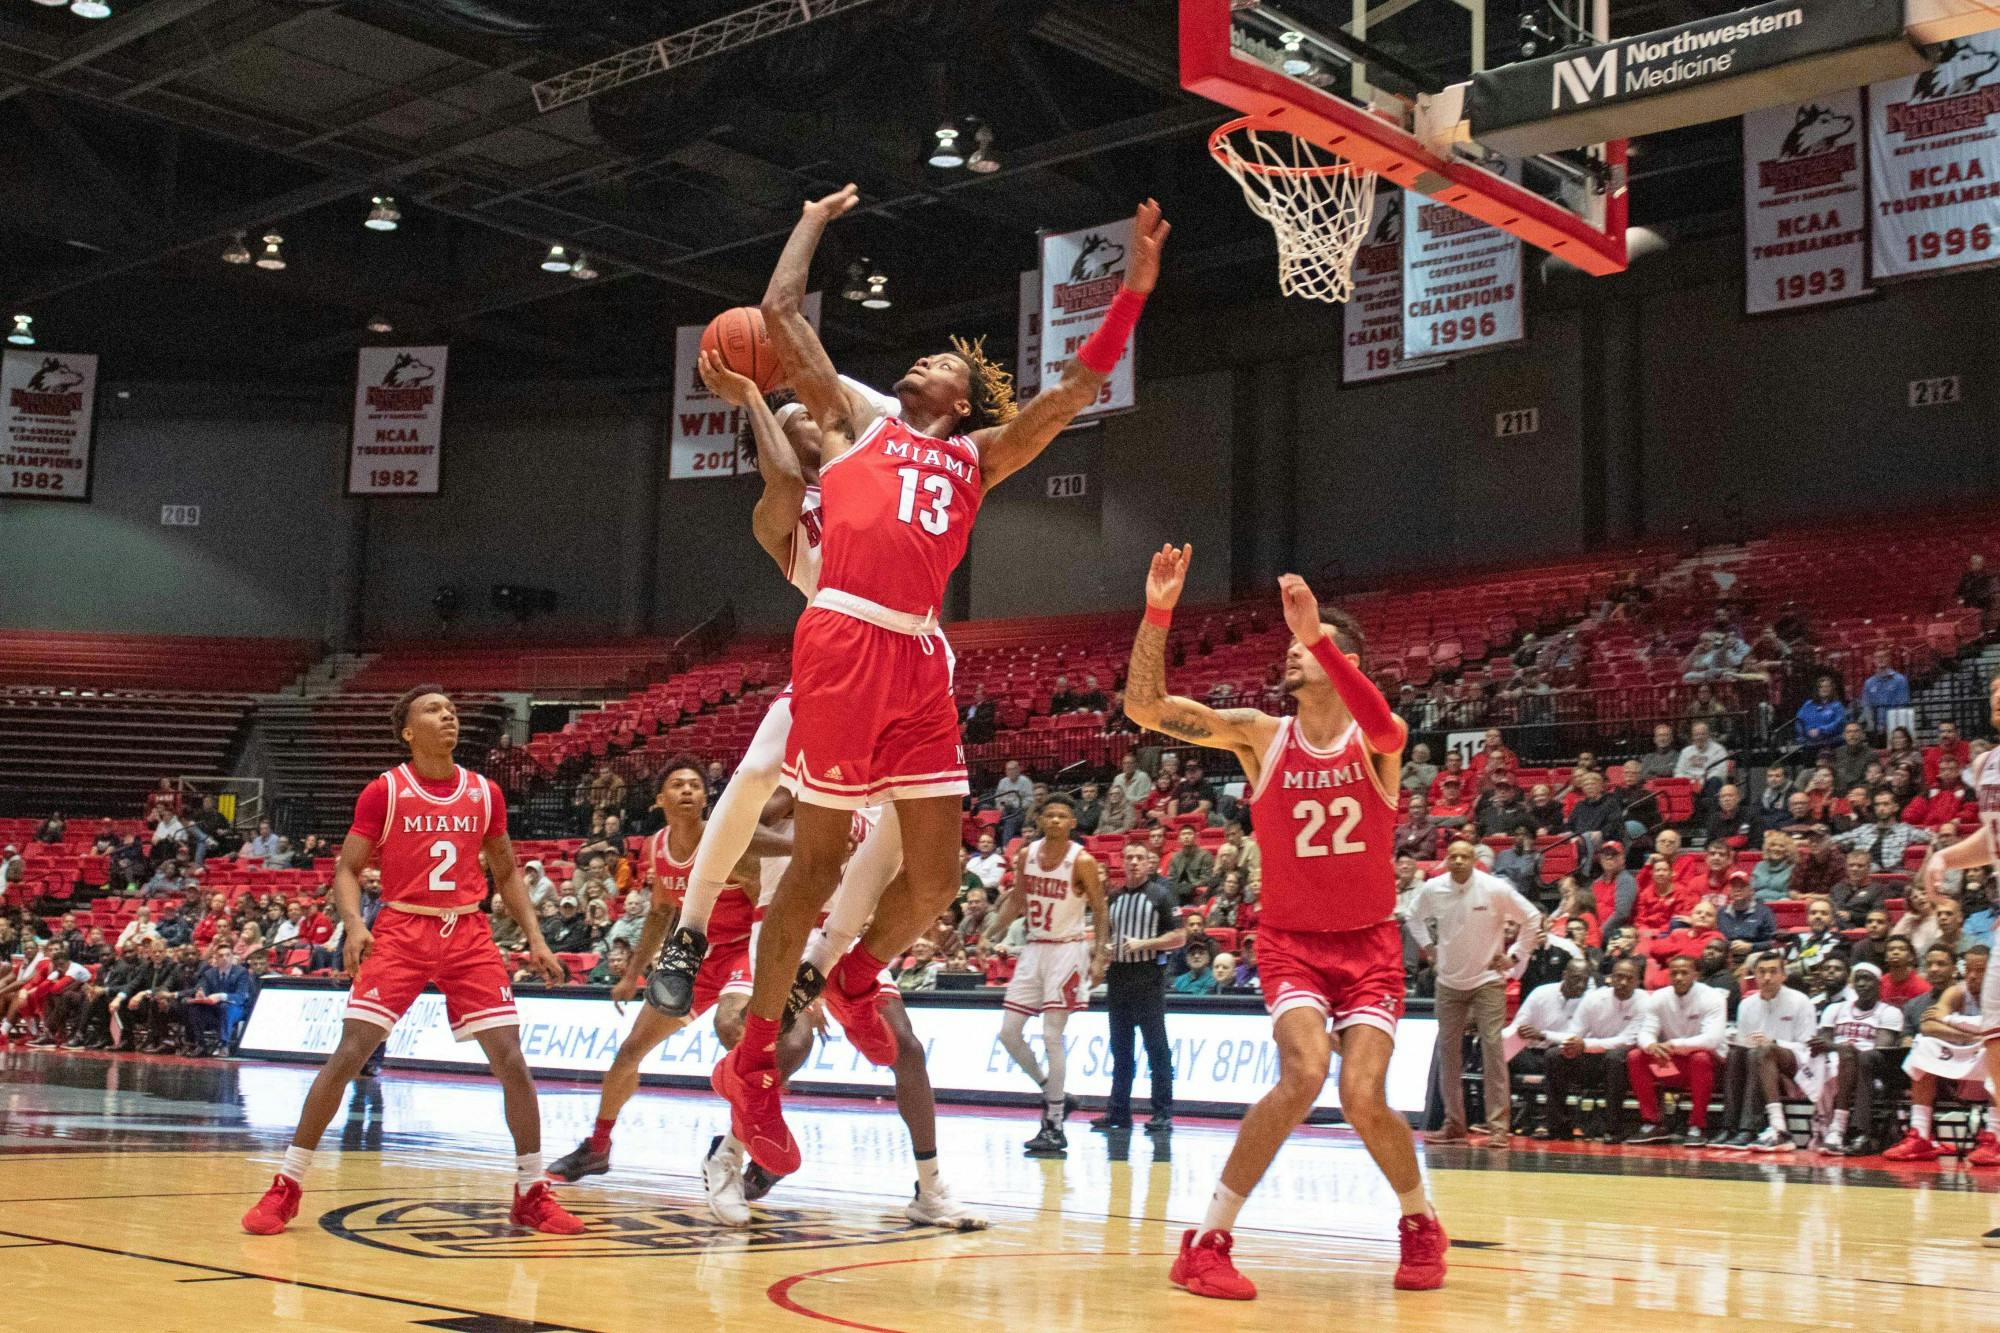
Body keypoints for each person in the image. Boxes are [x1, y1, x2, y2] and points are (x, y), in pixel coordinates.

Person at [697, 189, 1169, 1180]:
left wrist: (1126, 296)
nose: (918, 362)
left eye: (938, 363)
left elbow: (1069, 395)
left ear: (958, 399)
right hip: (844, 642)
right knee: (818, 868)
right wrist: (813, 218)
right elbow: (781, 311)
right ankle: (753, 1069)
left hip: (917, 655)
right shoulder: (850, 426)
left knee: (938, 879)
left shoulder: (977, 457)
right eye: (917, 359)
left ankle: (857, 973)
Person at [1121, 546, 1449, 1295]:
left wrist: (1322, 637)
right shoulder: (1260, 734)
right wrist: (1158, 611)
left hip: (1370, 944)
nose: (1290, 656)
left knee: (1365, 1093)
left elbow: (1391, 733)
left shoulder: (1376, 734)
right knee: (1302, 1073)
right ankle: (1205, 1239)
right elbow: (1145, 707)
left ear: (1344, 658)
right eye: (1294, 646)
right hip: (1292, 943)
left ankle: (1419, 1220)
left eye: (1302, 647)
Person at [240, 686, 581, 1238]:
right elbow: (347, 869)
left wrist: (536, 937)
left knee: (513, 1061)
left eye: (450, 709)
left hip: (467, 930)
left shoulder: (485, 792)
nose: (447, 716)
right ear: (407, 731)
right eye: (433, 709)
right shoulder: (385, 792)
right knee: (351, 1051)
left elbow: (508, 870)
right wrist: (354, 924)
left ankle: (531, 1190)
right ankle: (286, 1184)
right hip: (401, 927)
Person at [984, 795, 1109, 1157]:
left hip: (1068, 950)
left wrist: (1099, 956)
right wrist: (991, 932)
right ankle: (1054, 1092)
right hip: (1034, 947)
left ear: (1072, 823)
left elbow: (1100, 911)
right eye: (1049, 815)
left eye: (1062, 816)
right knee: (1008, 1033)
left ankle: (1053, 1125)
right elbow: (1017, 901)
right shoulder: (1026, 855)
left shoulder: (1081, 860)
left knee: (1052, 1034)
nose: (1055, 820)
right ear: (1040, 820)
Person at [1408, 839, 1543, 1146]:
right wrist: (1428, 947)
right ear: (1446, 861)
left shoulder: (1495, 888)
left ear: (1474, 860)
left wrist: (1516, 955)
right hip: (1448, 983)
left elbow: (1533, 918)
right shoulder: (1433, 888)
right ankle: (1454, 1124)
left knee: (1493, 1049)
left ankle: (1498, 1128)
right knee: (1448, 1053)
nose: (1457, 861)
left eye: (1464, 856)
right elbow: (1413, 917)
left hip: (1487, 980)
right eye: (1452, 856)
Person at [1094, 844, 1184, 1133]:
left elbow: (1180, 937)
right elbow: (1105, 934)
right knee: (1120, 1048)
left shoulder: (1161, 895)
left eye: (1139, 858)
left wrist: (1144, 944)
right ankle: (1118, 1111)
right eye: (1129, 858)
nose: (1133, 863)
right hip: (1118, 976)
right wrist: (1103, 951)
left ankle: (1163, 1113)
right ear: (1122, 862)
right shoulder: (1115, 897)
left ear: (1149, 864)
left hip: (1147, 977)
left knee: (1156, 1048)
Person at [1884, 945, 1998, 1163]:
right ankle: (1921, 1135)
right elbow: (1927, 1025)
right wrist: (1968, 1036)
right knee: (1924, 1045)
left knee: (1996, 1048)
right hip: (1970, 1047)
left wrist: (1952, 1021)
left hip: (1988, 1053)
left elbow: (1993, 1029)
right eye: (1969, 970)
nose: (1973, 976)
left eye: (1981, 970)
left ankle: (1996, 1137)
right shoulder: (1957, 991)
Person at [1715, 953, 1817, 1150]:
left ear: (1783, 975)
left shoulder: (1801, 1001)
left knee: (1759, 1053)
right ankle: (1730, 1127)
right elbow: (1744, 1041)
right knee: (1737, 1053)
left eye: (1773, 971)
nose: (1767, 977)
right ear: (1755, 975)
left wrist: (1775, 1043)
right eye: (1762, 972)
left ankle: (1749, 1128)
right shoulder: (1747, 1004)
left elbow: (1807, 1046)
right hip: (1758, 1063)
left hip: (1795, 1066)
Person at [1624, 954, 1728, 1146]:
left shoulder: (1713, 997)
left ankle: (1697, 1126)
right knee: (1636, 1056)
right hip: (1671, 1066)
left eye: (1684, 973)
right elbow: (1645, 1033)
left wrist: (1672, 1045)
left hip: (1710, 1069)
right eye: (1674, 973)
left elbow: (1712, 1040)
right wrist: (1652, 1047)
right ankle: (1652, 1122)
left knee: (1700, 1058)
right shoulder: (1659, 997)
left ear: (1695, 974)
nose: (1678, 977)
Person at [1810, 961, 1903, 1154]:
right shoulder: (1835, 1009)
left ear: (1879, 984)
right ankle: (1829, 1130)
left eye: (1867, 979)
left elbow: (1881, 1049)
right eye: (1858, 979)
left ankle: (1838, 1128)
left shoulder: (1890, 1012)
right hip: (1834, 1065)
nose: (1862, 984)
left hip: (1869, 1071)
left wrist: (1842, 1049)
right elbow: (1821, 1041)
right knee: (1836, 1057)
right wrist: (1842, 1049)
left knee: (1851, 1055)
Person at [1503, 960, 1594, 1139]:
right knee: (1498, 1051)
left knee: (1555, 1057)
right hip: (1534, 1053)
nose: (1581, 985)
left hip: (1567, 1056)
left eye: (1585, 980)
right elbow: (1518, 1026)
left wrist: (1543, 1034)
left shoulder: (1591, 1000)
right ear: (1564, 976)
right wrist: (1508, 1035)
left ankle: (1549, 1123)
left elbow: (1577, 1038)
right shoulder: (1541, 993)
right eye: (1576, 979)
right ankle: (1499, 1119)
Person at [1568, 957, 1648, 1140]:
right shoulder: (1593, 999)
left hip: (1624, 1061)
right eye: (1619, 976)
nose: (1623, 982)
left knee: (1615, 1057)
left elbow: (1626, 1041)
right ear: (1610, 977)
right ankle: (1557, 1125)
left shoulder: (1645, 1002)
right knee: (1554, 1055)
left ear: (1638, 981)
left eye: (1629, 978)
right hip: (1591, 1055)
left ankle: (1613, 1128)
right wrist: (1572, 1044)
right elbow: (1575, 1031)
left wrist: (1585, 1044)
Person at [1795, 676, 1847, 753]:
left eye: (1827, 686)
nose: (1824, 689)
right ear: (1817, 689)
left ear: (1832, 689)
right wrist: (1803, 735)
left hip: (1831, 742)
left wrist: (1820, 730)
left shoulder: (1837, 705)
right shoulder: (1808, 704)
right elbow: (1799, 720)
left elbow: (1839, 722)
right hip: (1809, 742)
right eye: (1821, 687)